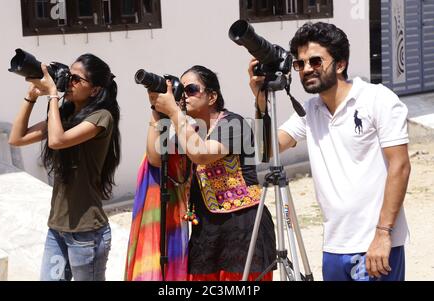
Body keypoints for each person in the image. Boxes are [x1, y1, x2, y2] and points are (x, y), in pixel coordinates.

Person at [249, 22, 411, 281]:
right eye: (300, 64)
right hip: (334, 247)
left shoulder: (377, 99)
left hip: (375, 243)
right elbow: (266, 149)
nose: (306, 69)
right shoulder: (308, 111)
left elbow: (400, 166)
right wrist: (260, 99)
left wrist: (383, 234)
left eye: (315, 61)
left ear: (340, 64)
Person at [143, 65, 276, 281]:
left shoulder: (233, 123)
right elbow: (155, 157)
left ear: (212, 96)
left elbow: (201, 154)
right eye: (181, 91)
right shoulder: (190, 131)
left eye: (191, 90)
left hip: (242, 226)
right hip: (206, 227)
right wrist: (157, 112)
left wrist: (175, 112)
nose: (184, 97)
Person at [8, 54, 121, 281]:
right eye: (69, 76)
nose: (69, 82)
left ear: (95, 90)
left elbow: (57, 140)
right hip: (57, 229)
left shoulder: (102, 117)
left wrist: (52, 95)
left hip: (86, 233)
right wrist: (31, 97)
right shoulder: (65, 114)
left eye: (77, 79)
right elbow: (17, 138)